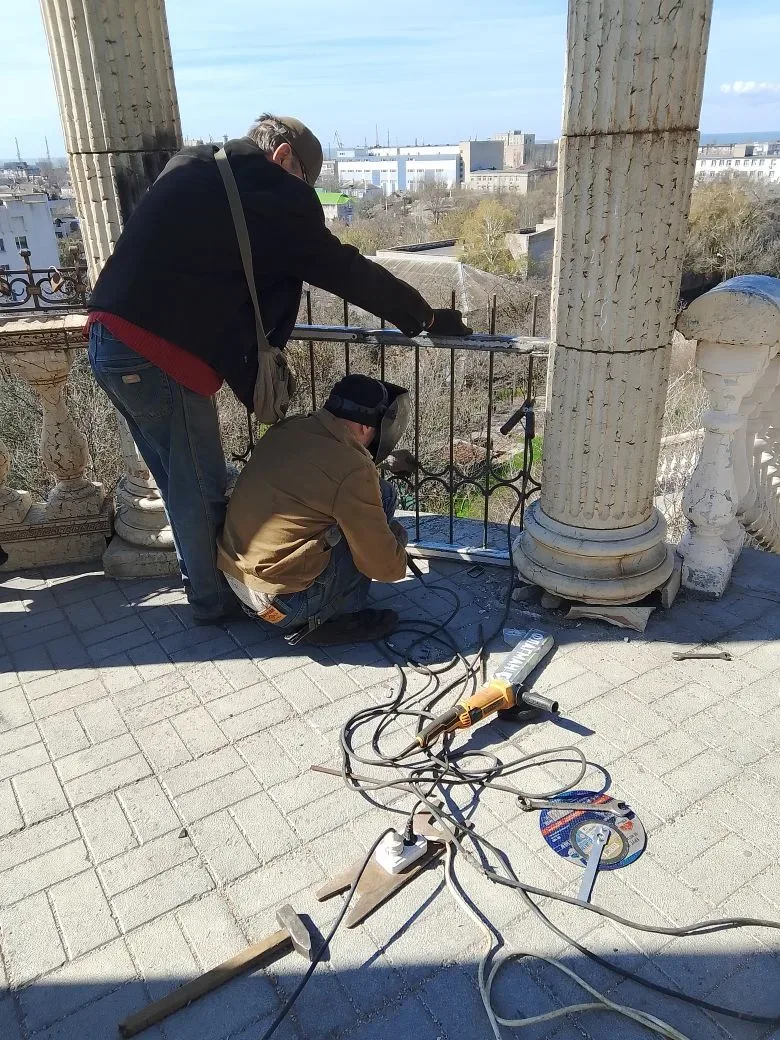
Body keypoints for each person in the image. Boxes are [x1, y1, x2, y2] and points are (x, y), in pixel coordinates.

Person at [86, 114, 471, 624]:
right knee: (197, 487)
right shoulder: (274, 191)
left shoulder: (193, 164)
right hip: (156, 354)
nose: (305, 194)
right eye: (306, 181)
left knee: (175, 477)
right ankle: (214, 601)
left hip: (108, 339)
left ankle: (210, 585)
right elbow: (344, 268)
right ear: (285, 157)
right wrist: (421, 315)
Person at [218, 374, 412, 644]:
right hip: (284, 607)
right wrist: (396, 544)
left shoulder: (289, 428)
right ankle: (337, 616)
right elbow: (386, 570)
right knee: (385, 498)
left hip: (235, 580)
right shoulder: (354, 469)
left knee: (372, 501)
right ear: (366, 428)